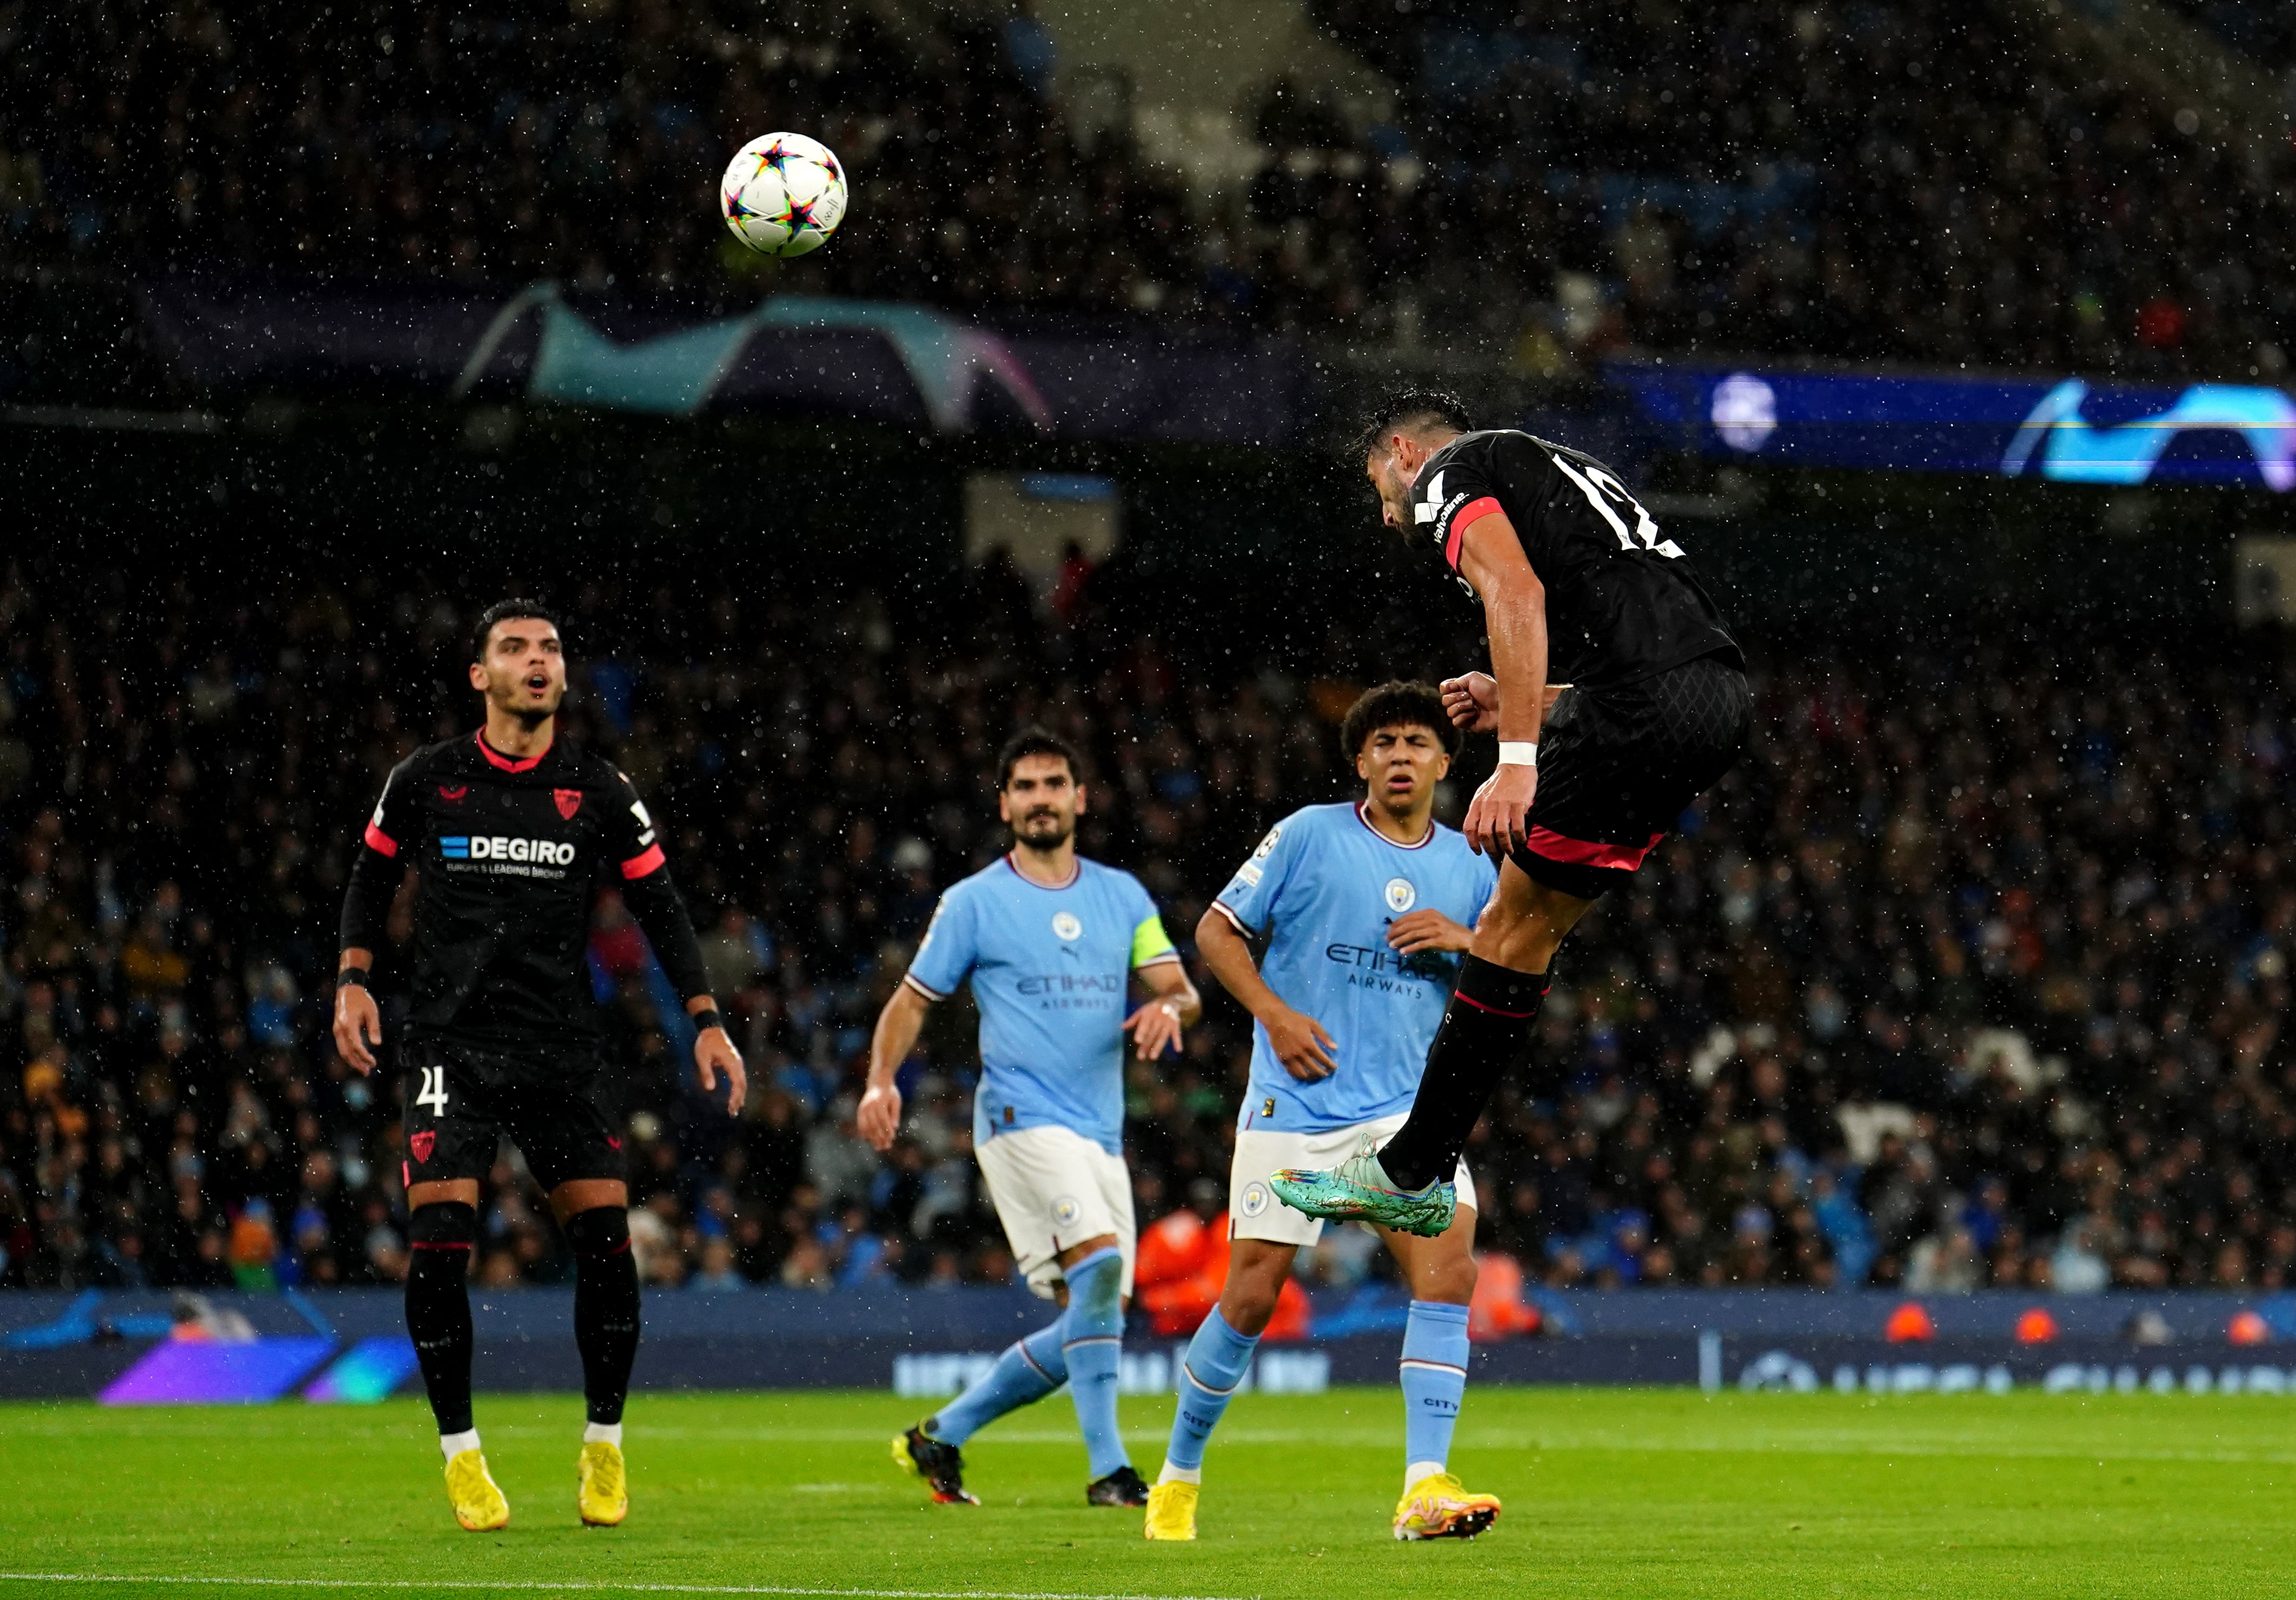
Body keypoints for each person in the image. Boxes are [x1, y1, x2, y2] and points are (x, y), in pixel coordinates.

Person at [1273, 390, 1748, 1238]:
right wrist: (1538, 705)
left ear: (1404, 452)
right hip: (1714, 701)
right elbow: (1642, 655)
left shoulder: (1451, 474)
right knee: (1524, 931)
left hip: (1643, 702)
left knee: (1509, 928)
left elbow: (1515, 594)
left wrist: (1516, 762)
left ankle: (1413, 1170)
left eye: (1381, 488)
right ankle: (1416, 1166)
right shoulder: (1556, 465)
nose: (1390, 517)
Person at [332, 600, 745, 1533]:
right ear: (480, 676)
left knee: (606, 1242)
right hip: (450, 1044)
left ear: (562, 675)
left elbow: (663, 907)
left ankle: (604, 1444)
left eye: (550, 649)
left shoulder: (600, 789)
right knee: (439, 1242)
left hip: (560, 1049)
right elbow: (368, 878)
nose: (536, 661)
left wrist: (707, 1018)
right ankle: (462, 1455)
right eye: (514, 649)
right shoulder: (426, 779)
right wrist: (354, 978)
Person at [1145, 683, 1502, 1543]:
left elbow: (1519, 975)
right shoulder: (1308, 834)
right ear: (1361, 763)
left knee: (1449, 1268)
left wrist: (1467, 943)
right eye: (1383, 744)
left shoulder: (1472, 868)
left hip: (1404, 1115)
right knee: (1252, 1296)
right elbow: (1216, 931)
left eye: (1418, 742)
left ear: (1446, 764)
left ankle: (1424, 1485)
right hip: (1296, 1104)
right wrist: (1273, 1013)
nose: (1401, 756)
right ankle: (1178, 1477)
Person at [860, 727, 1200, 1508]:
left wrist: (1168, 1005)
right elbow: (913, 998)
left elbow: (1178, 985)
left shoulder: (1122, 896)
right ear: (1004, 804)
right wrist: (882, 1079)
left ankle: (940, 1435)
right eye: (1025, 787)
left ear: (1081, 799)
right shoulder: (974, 902)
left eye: (1054, 784)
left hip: (1099, 1130)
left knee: (1097, 1316)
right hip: (1019, 1117)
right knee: (1102, 1268)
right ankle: (1110, 1471)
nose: (1040, 799)